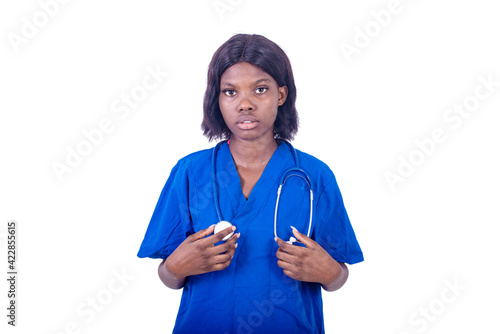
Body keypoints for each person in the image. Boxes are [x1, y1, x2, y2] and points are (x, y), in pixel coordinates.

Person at [137, 33, 364, 333]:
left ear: (281, 95)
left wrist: (330, 272)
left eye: (260, 89)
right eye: (230, 92)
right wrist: (176, 267)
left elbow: (337, 277)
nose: (245, 104)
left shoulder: (314, 175)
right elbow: (169, 277)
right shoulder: (190, 172)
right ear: (216, 99)